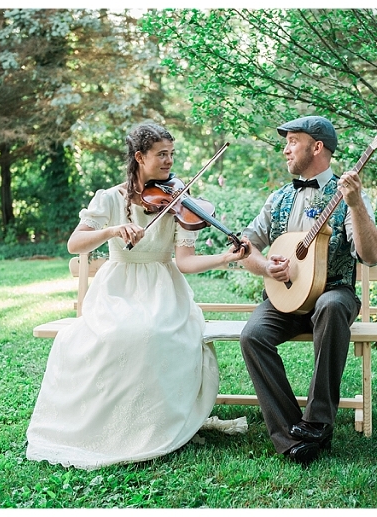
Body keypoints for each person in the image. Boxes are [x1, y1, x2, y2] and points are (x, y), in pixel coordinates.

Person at [26, 122, 250, 469]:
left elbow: (185, 262)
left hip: (163, 290)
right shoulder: (109, 198)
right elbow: (74, 244)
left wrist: (226, 257)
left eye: (171, 155)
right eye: (161, 155)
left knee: (154, 333)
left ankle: (158, 421)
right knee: (119, 333)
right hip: (117, 289)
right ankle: (116, 421)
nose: (169, 162)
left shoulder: (176, 201)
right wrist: (113, 229)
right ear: (139, 157)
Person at [239, 115, 377, 466]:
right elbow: (246, 247)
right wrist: (266, 267)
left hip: (333, 294)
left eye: (292, 141)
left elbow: (370, 255)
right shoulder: (278, 199)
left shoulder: (348, 193)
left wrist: (356, 205)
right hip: (287, 297)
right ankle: (292, 436)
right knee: (252, 336)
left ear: (316, 147)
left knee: (333, 305)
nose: (285, 148)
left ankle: (318, 422)